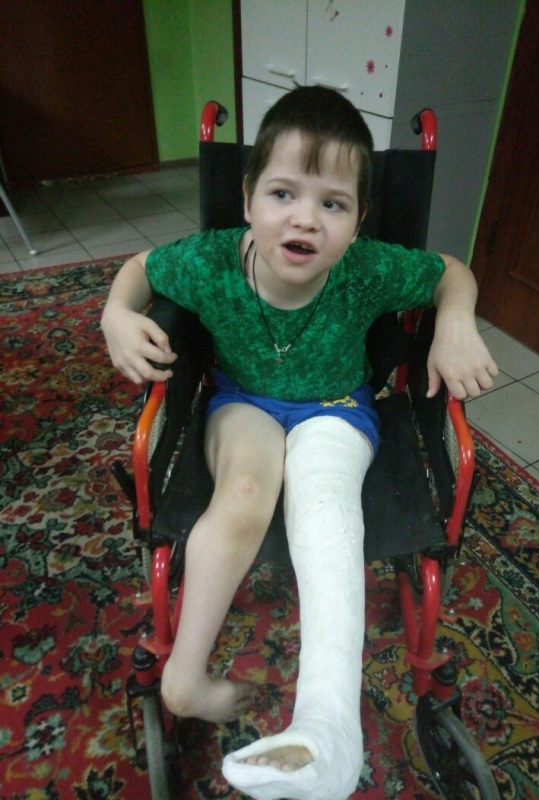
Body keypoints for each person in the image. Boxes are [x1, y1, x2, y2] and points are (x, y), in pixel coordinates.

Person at [101, 86, 498, 800]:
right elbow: (140, 269)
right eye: (282, 193)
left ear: (358, 221)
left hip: (334, 409)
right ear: (248, 197)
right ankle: (184, 681)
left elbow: (449, 272)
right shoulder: (213, 262)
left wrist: (456, 322)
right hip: (244, 402)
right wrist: (114, 317)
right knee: (244, 492)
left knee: (323, 505)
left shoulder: (365, 269)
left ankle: (325, 727)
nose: (305, 219)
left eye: (332, 204)